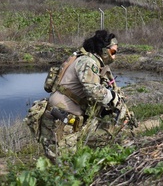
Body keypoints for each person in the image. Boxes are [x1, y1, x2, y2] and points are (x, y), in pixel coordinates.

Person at [38, 29, 134, 162]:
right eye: (113, 52)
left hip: (65, 118)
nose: (114, 56)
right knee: (63, 166)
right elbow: (92, 90)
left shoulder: (84, 59)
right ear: (104, 50)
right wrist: (113, 97)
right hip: (62, 120)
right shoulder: (88, 62)